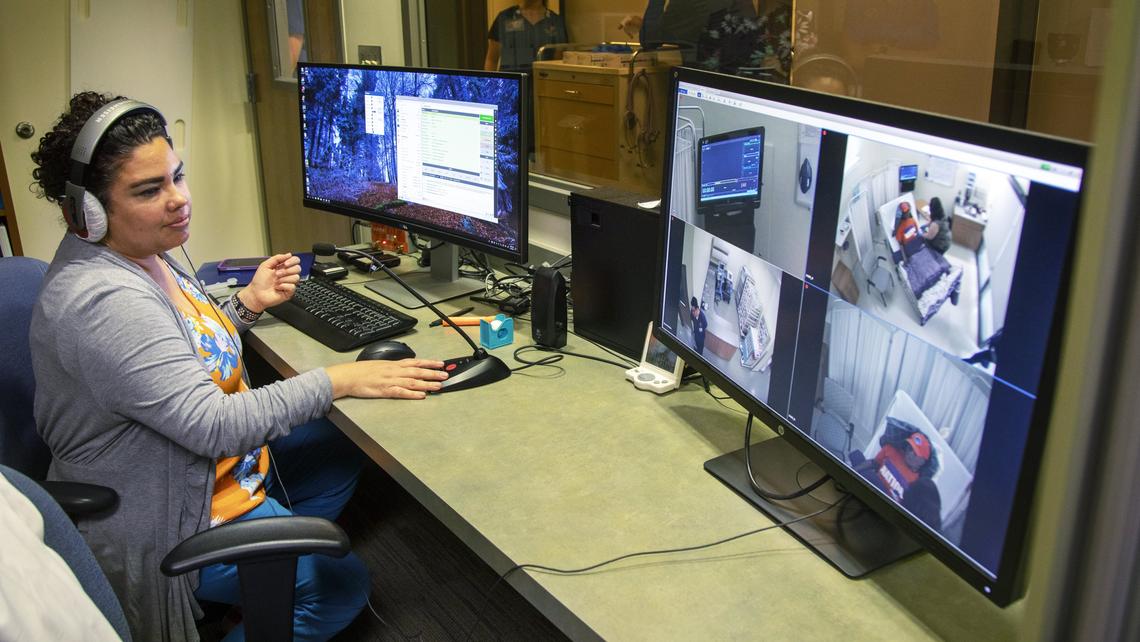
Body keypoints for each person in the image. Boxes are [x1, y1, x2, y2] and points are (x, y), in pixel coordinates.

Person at [28, 92, 450, 641]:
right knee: (340, 586)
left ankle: (261, 577)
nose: (179, 200)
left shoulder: (144, 254)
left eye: (177, 177)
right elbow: (213, 424)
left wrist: (246, 304)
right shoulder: (104, 300)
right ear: (88, 211)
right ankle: (258, 578)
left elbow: (182, 352)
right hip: (169, 514)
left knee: (340, 447)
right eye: (149, 190)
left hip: (206, 472)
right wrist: (339, 380)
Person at [850, 418, 942, 531]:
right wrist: (853, 470)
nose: (910, 453)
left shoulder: (918, 484)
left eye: (915, 452)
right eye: (909, 448)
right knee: (856, 456)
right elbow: (874, 462)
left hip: (885, 507)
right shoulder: (891, 450)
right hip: (869, 486)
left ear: (923, 461)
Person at [484, 0, 567, 74]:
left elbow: (559, 63)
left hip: (544, 84)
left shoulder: (556, 22)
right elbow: (492, 60)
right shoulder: (504, 17)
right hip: (512, 85)